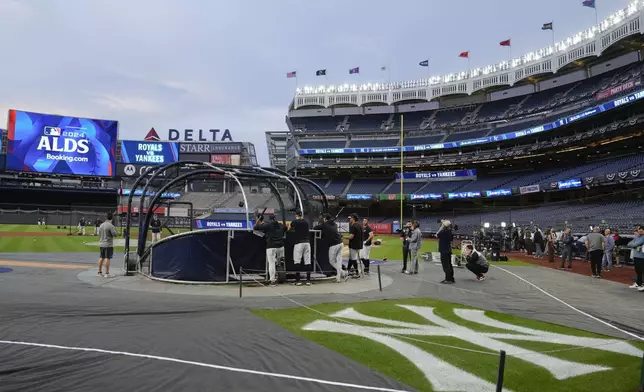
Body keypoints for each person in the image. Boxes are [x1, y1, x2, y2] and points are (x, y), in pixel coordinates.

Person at [254, 214, 286, 287]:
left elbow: (256, 227)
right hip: (281, 246)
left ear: (269, 219)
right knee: (280, 263)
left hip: (271, 246)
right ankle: (280, 266)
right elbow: (286, 228)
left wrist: (257, 221)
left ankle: (272, 280)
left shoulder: (268, 225)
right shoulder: (281, 225)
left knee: (271, 263)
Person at [314, 213, 346, 282]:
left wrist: (322, 224)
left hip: (333, 245)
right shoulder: (334, 224)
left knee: (332, 261)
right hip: (340, 243)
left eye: (323, 218)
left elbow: (315, 228)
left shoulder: (324, 225)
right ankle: (338, 277)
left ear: (325, 218)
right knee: (339, 261)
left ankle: (343, 272)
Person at [290, 211, 311, 286]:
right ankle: (308, 280)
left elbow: (291, 227)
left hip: (299, 243)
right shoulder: (306, 222)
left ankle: (298, 280)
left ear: (296, 216)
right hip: (307, 243)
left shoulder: (295, 222)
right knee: (307, 261)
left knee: (297, 261)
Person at [97, 212, 118, 278]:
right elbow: (115, 235)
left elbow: (99, 234)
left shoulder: (101, 225)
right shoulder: (110, 225)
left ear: (106, 217)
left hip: (102, 243)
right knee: (107, 258)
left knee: (101, 257)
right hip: (108, 244)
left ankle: (99, 272)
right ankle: (106, 273)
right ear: (112, 218)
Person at [627, 225, 644, 291]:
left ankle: (642, 284)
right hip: (636, 255)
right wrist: (634, 244)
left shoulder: (643, 237)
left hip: (642, 256)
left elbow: (634, 244)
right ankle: (638, 283)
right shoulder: (637, 237)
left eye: (641, 230)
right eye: (639, 230)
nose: (639, 231)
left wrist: (634, 244)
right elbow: (629, 244)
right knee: (638, 271)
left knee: (642, 270)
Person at [347, 213, 364, 277]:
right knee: (351, 258)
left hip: (354, 245)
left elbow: (351, 237)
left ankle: (357, 273)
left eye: (350, 218)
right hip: (359, 245)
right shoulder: (360, 225)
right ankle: (348, 270)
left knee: (353, 258)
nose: (350, 219)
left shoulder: (353, 226)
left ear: (353, 218)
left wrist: (343, 237)